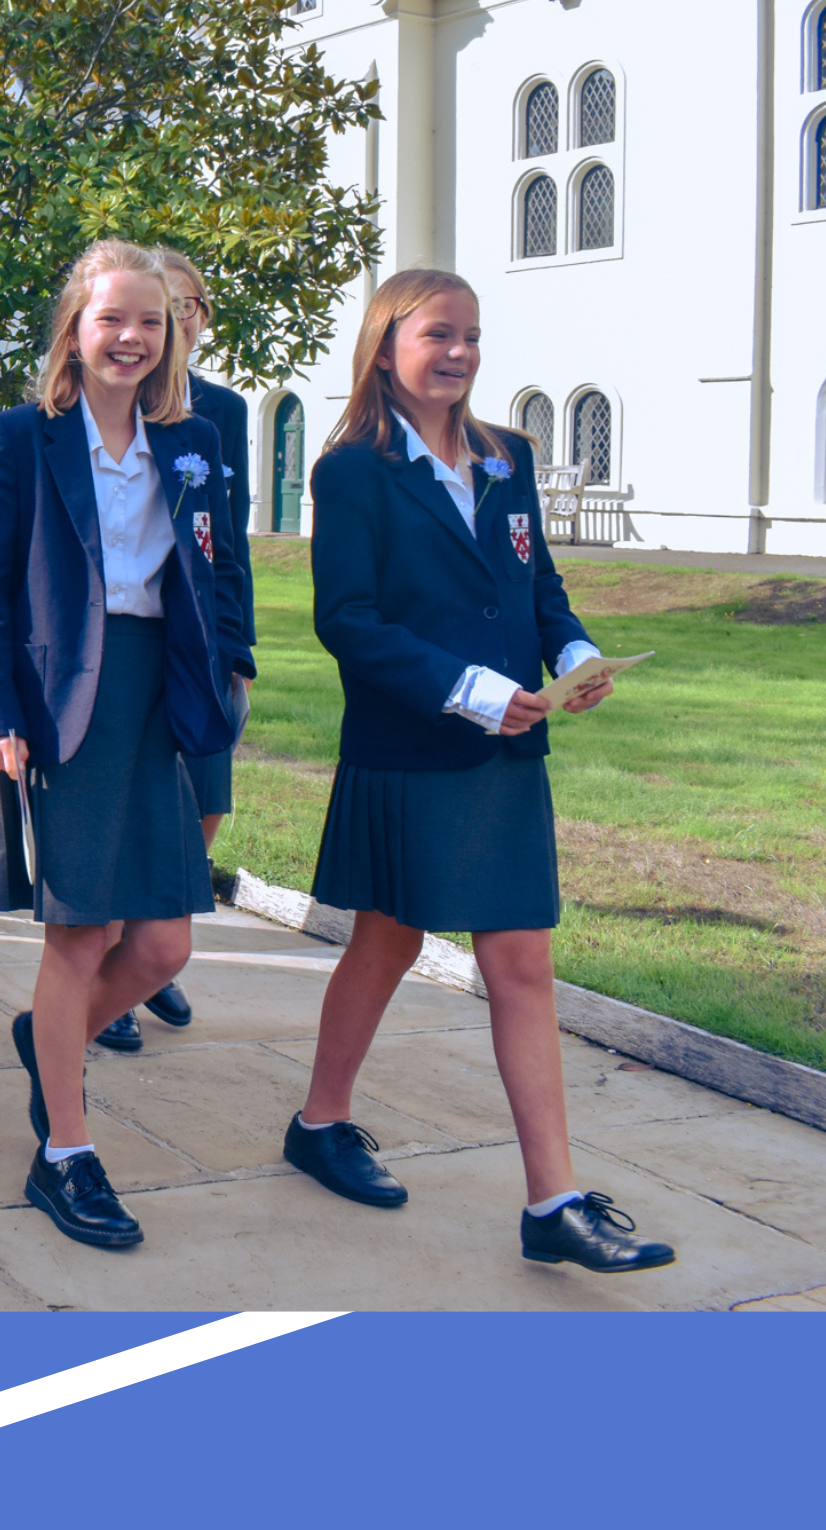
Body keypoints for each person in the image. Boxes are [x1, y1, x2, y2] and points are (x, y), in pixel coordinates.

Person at [283, 268, 674, 1273]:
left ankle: (553, 1199)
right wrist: (466, 687)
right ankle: (319, 1121)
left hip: (506, 752)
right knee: (385, 940)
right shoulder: (350, 472)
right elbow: (348, 621)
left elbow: (536, 581)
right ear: (384, 345)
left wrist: (577, 655)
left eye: (469, 336)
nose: (456, 352)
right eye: (436, 334)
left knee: (519, 961)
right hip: (411, 742)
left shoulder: (507, 458)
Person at [0, 240, 249, 1250]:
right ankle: (65, 1153)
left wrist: (235, 668)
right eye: (110, 318)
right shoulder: (19, 438)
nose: (129, 338)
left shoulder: (195, 439)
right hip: (59, 701)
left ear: (169, 335)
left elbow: (224, 574)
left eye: (149, 321)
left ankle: (53, 1045)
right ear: (73, 329)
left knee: (163, 939)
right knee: (79, 935)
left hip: (159, 698)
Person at [93, 247, 260, 1053]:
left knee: (208, 800)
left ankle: (151, 950)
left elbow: (230, 545)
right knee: (127, 813)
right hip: (124, 647)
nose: (177, 321)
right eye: (167, 306)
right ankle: (120, 974)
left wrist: (241, 651)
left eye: (188, 307)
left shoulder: (220, 415)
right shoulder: (95, 407)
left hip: (202, 644)